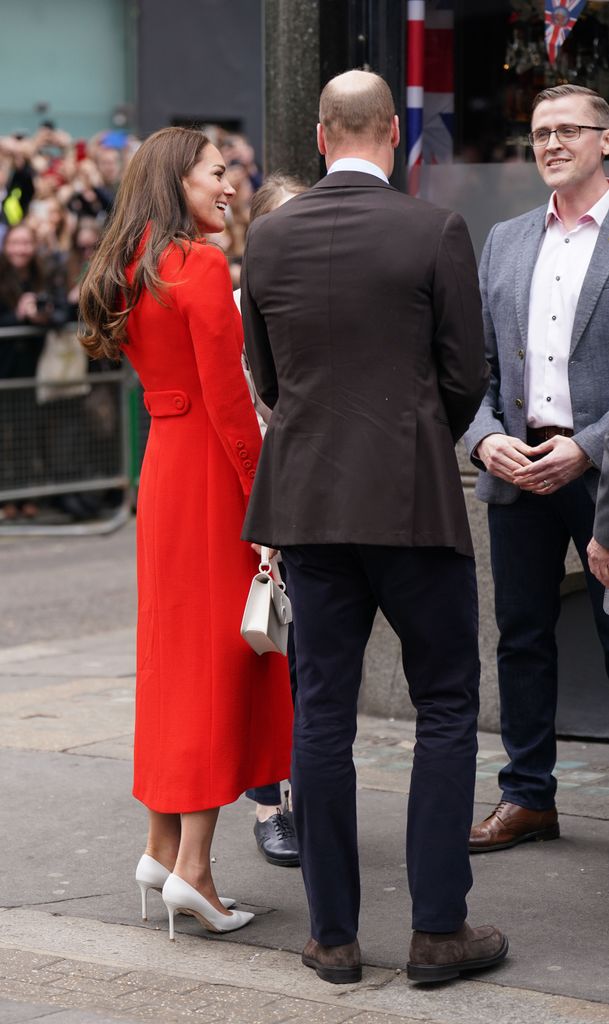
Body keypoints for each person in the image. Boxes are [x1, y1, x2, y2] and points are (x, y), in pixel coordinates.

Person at [240, 69, 507, 985]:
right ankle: (437, 930)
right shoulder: (433, 229)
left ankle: (332, 936)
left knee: (320, 715)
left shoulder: (267, 240)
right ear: (392, 132)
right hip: (410, 500)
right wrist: (416, 430)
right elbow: (464, 370)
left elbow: (266, 376)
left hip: (309, 505)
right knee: (443, 707)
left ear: (320, 136)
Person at [79, 126, 293, 940]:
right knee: (215, 668)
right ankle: (194, 874)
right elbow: (230, 402)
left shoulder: (129, 265)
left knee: (172, 661)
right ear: (179, 180)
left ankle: (160, 847)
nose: (231, 184)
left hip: (165, 474)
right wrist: (263, 503)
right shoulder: (197, 265)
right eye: (217, 173)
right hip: (209, 473)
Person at [464, 85, 609, 854]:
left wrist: (587, 445)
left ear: (605, 140)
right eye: (538, 133)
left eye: (567, 131)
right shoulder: (506, 240)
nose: (550, 143)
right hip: (516, 470)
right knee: (520, 637)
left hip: (597, 473)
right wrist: (484, 439)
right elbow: (472, 370)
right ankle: (528, 798)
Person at [236, 174, 308, 869]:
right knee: (267, 651)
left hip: (313, 497)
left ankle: (307, 793)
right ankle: (267, 803)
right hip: (256, 499)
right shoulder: (236, 304)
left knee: (310, 657)